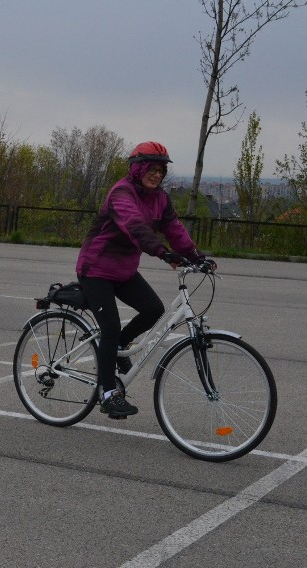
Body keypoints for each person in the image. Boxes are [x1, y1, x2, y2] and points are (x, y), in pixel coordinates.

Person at [75, 141, 216, 419]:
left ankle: (118, 349)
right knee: (111, 327)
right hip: (97, 270)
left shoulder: (160, 199)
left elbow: (174, 229)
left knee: (154, 310)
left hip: (124, 271)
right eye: (151, 169)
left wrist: (197, 256)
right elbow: (134, 226)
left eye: (161, 170)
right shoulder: (122, 193)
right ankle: (108, 394)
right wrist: (163, 253)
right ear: (138, 169)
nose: (156, 175)